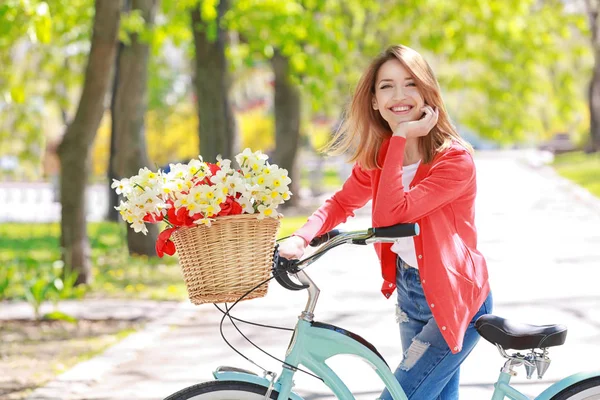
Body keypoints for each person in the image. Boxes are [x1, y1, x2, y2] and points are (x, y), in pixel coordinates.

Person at [277, 44, 493, 400]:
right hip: (412, 292)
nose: (399, 96)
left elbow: (393, 212)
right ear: (374, 101)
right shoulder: (380, 157)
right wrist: (301, 238)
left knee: (400, 396)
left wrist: (399, 137)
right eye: (386, 86)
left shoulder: (453, 160)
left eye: (410, 84)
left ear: (428, 92)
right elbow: (342, 201)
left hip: (456, 296)